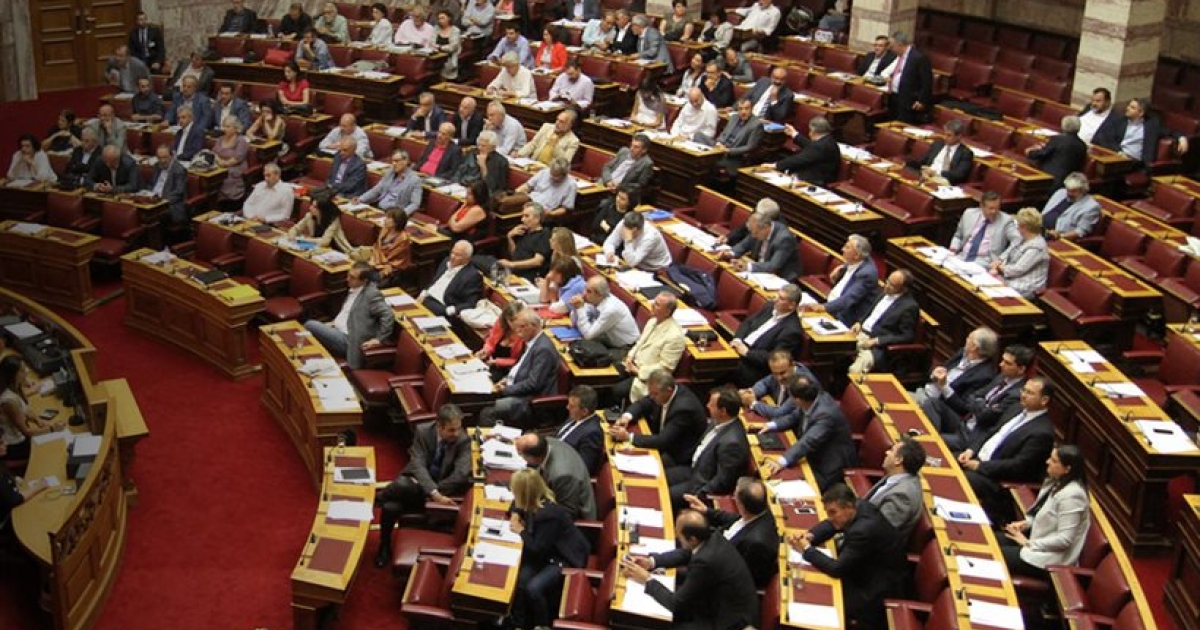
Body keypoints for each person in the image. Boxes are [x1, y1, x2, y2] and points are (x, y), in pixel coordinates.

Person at [788, 484, 906, 629]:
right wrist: (810, 536)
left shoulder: (863, 530)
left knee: (816, 598)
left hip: (873, 590)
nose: (830, 517)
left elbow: (836, 569)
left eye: (833, 512)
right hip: (864, 570)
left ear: (849, 507)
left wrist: (806, 549)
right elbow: (832, 524)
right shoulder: (857, 506)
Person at [621, 509, 759, 630]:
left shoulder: (705, 562)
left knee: (660, 624)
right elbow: (686, 553)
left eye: (679, 535)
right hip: (716, 603)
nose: (677, 536)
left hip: (727, 622)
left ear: (692, 539)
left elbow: (676, 604)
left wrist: (646, 579)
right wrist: (652, 562)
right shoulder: (710, 535)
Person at [373, 404, 470, 567]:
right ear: (439, 426)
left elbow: (460, 475)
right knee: (391, 507)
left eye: (458, 428)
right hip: (420, 482)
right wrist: (431, 491)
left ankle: (377, 499)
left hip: (440, 491)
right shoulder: (423, 431)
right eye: (452, 430)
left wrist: (434, 491)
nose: (456, 433)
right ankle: (384, 546)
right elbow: (417, 465)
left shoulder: (463, 440)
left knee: (404, 486)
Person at [956, 376, 1057, 524]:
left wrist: (980, 466)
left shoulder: (1043, 432)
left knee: (959, 479)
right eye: (1024, 390)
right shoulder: (1016, 408)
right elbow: (991, 431)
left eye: (1030, 393)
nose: (1023, 395)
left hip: (995, 478)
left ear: (1044, 400)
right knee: (944, 459)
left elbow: (1019, 466)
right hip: (976, 460)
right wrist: (971, 450)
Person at [651, 477, 778, 588]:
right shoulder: (759, 512)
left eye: (735, 497)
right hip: (712, 550)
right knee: (669, 543)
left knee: (663, 573)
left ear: (741, 505)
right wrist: (706, 510)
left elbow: (735, 575)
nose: (733, 498)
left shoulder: (756, 543)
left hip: (713, 575)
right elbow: (734, 519)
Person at [507, 468, 591, 630]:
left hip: (564, 557)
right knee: (520, 580)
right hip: (547, 550)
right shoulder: (537, 498)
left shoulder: (548, 515)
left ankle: (542, 625)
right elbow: (516, 504)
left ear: (524, 493)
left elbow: (537, 548)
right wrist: (515, 514)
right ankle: (518, 623)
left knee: (533, 588)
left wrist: (521, 530)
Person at [1001, 445, 1091, 578]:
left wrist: (1029, 543)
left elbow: (1064, 540)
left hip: (1050, 559)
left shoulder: (1072, 496)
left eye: (1054, 461)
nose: (1047, 461)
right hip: (1037, 542)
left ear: (1067, 469)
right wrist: (1025, 523)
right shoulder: (1055, 481)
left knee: (995, 555)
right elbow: (1044, 512)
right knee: (993, 539)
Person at [926, 344, 1031, 450]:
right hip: (964, 422)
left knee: (933, 440)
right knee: (932, 403)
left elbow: (986, 417)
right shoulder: (1001, 377)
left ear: (1021, 369)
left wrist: (979, 403)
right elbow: (972, 397)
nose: (1001, 364)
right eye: (1002, 360)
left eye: (1007, 363)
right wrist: (983, 405)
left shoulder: (1017, 395)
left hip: (972, 435)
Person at [762, 377, 857, 490]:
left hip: (829, 466)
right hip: (813, 455)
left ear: (797, 400)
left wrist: (781, 461)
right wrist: (771, 425)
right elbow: (794, 417)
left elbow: (808, 442)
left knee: (790, 487)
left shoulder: (825, 414)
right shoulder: (810, 401)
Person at [665, 387, 750, 510]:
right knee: (659, 477)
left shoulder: (732, 444)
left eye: (712, 404)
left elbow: (723, 481)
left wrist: (699, 494)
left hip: (702, 484)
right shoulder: (718, 421)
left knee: (665, 496)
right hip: (695, 469)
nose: (707, 405)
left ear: (723, 411)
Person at [304, 262, 395, 369]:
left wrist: (379, 339)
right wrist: (333, 323)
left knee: (309, 325)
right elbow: (348, 312)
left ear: (364, 281)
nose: (347, 279)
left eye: (352, 277)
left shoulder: (371, 294)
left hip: (348, 340)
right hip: (336, 329)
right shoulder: (355, 288)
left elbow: (388, 315)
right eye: (348, 275)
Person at [610, 369, 707, 466]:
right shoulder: (661, 392)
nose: (651, 397)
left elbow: (662, 441)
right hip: (661, 439)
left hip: (677, 454)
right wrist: (627, 417)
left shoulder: (683, 409)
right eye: (650, 392)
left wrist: (628, 437)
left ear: (669, 390)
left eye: (655, 394)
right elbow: (642, 404)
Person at [481, 309, 559, 427]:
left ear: (534, 326)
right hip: (516, 388)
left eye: (522, 327)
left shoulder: (543, 350)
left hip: (529, 401)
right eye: (517, 326)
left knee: (487, 412)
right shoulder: (530, 342)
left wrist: (506, 389)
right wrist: (506, 379)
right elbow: (519, 366)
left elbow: (533, 384)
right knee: (482, 398)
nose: (517, 331)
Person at [615, 292, 687, 403]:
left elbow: (665, 369)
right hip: (631, 365)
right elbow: (640, 342)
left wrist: (638, 371)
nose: (652, 305)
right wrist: (630, 357)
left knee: (617, 390)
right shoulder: (652, 321)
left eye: (657, 304)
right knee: (608, 376)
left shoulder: (675, 336)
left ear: (667, 312)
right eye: (654, 302)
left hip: (646, 379)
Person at [847, 269, 920, 375]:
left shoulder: (909, 307)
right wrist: (859, 322)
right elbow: (870, 312)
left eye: (892, 285)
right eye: (887, 281)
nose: (887, 286)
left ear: (904, 289)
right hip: (860, 334)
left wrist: (877, 341)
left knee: (855, 370)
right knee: (831, 347)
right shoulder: (884, 292)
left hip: (878, 347)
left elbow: (906, 336)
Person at [728, 284, 804, 386]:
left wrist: (747, 353)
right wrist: (737, 339)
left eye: (781, 298)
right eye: (777, 295)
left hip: (753, 367)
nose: (776, 299)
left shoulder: (792, 331)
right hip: (739, 348)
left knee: (716, 368)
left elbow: (776, 359)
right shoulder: (769, 306)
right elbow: (748, 322)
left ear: (792, 305)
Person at [514, 433, 596, 519]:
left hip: (576, 518)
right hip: (553, 500)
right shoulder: (546, 444)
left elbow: (567, 513)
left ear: (533, 458)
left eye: (520, 454)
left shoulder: (562, 475)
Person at [802, 234, 879, 326]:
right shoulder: (858, 260)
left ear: (857, 255)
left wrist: (823, 307)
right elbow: (854, 261)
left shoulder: (867, 275)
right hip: (832, 305)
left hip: (843, 316)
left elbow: (848, 299)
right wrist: (843, 266)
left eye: (847, 247)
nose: (842, 249)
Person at [913, 326, 999, 407]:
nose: (966, 339)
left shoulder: (984, 376)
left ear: (974, 347)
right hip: (923, 391)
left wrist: (944, 386)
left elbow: (963, 407)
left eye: (969, 338)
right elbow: (941, 369)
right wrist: (934, 373)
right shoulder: (962, 353)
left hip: (934, 405)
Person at [1092, 97, 1189, 168]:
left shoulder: (1151, 126)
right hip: (1117, 156)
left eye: (1132, 107)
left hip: (1134, 162)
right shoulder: (1120, 121)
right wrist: (1118, 152)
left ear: (1141, 113)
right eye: (1129, 106)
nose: (1127, 108)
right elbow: (1104, 137)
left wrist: (1182, 138)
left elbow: (1171, 132)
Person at [1, 356, 65, 463]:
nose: (27, 371)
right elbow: (27, 432)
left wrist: (38, 420)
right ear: (14, 375)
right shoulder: (9, 401)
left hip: (22, 437)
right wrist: (52, 429)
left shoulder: (16, 388)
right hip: (15, 445)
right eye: (22, 370)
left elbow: (25, 410)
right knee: (52, 451)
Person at [862, 437, 926, 540]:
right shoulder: (897, 477)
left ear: (898, 460)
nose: (887, 452)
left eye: (891, 450)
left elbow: (876, 533)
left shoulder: (902, 497)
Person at [741, 349, 819, 422]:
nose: (779, 378)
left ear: (793, 365)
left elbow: (779, 413)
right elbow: (764, 383)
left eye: (782, 373)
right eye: (775, 373)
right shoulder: (779, 370)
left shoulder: (802, 384)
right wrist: (751, 393)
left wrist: (753, 403)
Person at [569, 276, 640, 353]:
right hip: (608, 339)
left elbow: (588, 335)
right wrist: (576, 307)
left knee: (584, 354)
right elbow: (575, 322)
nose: (584, 293)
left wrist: (579, 308)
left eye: (588, 291)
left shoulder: (610, 309)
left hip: (626, 348)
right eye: (585, 289)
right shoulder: (597, 300)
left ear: (599, 294)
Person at [724, 208, 801, 279]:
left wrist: (748, 266)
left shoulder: (784, 239)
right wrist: (730, 254)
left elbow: (773, 266)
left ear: (766, 227)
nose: (753, 236)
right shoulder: (757, 228)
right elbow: (743, 245)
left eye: (756, 233)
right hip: (760, 269)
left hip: (781, 275)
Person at [990, 207, 1049, 298]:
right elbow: (1007, 253)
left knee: (990, 288)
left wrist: (999, 267)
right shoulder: (1022, 238)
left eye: (1018, 224)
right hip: (1011, 277)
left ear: (1023, 226)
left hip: (1026, 285)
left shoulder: (1037, 247)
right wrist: (998, 261)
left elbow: (1018, 269)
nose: (1016, 226)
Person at [949, 191, 1019, 264]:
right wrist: (953, 249)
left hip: (985, 262)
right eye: (991, 208)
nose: (994, 211)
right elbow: (958, 236)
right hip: (962, 256)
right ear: (981, 206)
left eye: (997, 208)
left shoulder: (1006, 221)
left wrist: (1001, 259)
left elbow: (1018, 240)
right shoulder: (969, 213)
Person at [418, 241, 482, 317]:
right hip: (426, 298)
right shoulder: (446, 261)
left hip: (442, 307)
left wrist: (450, 310)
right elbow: (434, 281)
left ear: (467, 258)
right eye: (452, 252)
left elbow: (470, 303)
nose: (452, 257)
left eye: (458, 255)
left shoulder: (472, 276)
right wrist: (424, 292)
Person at [771, 117, 840, 185]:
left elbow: (798, 159)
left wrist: (776, 165)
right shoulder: (828, 140)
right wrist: (793, 133)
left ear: (813, 131)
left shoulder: (820, 146)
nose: (809, 134)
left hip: (815, 180)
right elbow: (810, 145)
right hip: (817, 173)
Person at [1027, 115, 1088, 189]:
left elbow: (1042, 154)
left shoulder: (1057, 139)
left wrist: (1030, 152)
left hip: (1048, 178)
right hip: (1068, 181)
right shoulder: (1082, 145)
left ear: (1063, 126)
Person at [555, 385, 605, 475]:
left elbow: (583, 469)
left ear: (584, 411)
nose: (567, 407)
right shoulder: (575, 416)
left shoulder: (592, 433)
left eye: (571, 406)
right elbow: (558, 436)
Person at [887, 31, 934, 124]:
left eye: (892, 46)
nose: (890, 49)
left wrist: (921, 100)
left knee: (903, 124)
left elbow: (927, 82)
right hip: (894, 96)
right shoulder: (898, 56)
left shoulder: (918, 58)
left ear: (900, 44)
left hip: (909, 100)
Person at [356, 150, 422, 215]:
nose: (394, 164)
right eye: (392, 161)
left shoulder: (415, 180)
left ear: (406, 161)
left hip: (393, 213)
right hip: (378, 206)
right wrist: (360, 199)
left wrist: (402, 215)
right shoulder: (390, 172)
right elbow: (377, 189)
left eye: (396, 161)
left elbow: (415, 204)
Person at [498, 203, 552, 280]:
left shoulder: (544, 234)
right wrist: (510, 237)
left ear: (537, 218)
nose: (522, 219)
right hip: (515, 272)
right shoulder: (523, 231)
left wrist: (512, 264)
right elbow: (514, 255)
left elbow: (537, 261)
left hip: (529, 276)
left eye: (526, 216)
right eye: (522, 216)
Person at [1041, 172, 1101, 241]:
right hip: (1039, 230)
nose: (1069, 193)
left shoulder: (1091, 207)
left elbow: (1080, 232)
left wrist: (1058, 236)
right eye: (1068, 189)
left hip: (1055, 238)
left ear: (1083, 190)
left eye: (1073, 191)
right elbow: (1044, 213)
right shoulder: (1060, 192)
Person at [911, 119, 972, 184]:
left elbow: (958, 175)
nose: (945, 137)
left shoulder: (965, 153)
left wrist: (936, 172)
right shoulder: (938, 144)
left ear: (959, 136)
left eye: (949, 135)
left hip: (943, 179)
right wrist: (922, 168)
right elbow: (923, 160)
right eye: (944, 134)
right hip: (926, 173)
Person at [1, 440, 50, 522]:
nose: (5, 444)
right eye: (1, 443)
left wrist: (15, 480)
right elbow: (16, 500)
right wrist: (38, 487)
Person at [478, 301, 527, 377]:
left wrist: (497, 362)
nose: (513, 323)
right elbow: (490, 342)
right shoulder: (500, 324)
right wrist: (485, 351)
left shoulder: (526, 334)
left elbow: (520, 361)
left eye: (517, 320)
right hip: (491, 362)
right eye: (511, 320)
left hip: (510, 370)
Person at [453, 130, 508, 195]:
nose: (479, 148)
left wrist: (483, 166)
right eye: (479, 144)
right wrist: (454, 184)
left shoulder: (500, 162)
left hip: (480, 193)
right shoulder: (473, 152)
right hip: (461, 187)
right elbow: (460, 170)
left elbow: (491, 187)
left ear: (493, 147)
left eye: (483, 146)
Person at [148, 144, 189, 229]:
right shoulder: (157, 166)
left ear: (172, 156)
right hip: (152, 202)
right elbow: (151, 184)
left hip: (171, 205)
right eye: (159, 158)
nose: (162, 161)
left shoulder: (179, 170)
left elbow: (178, 192)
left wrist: (161, 201)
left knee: (154, 217)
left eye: (165, 157)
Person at [213, 116, 250, 210]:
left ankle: (229, 205)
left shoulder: (241, 140)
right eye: (224, 126)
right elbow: (214, 152)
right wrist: (219, 160)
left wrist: (225, 163)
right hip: (219, 166)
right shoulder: (220, 139)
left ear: (236, 128)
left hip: (235, 168)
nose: (225, 129)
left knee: (226, 179)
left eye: (228, 126)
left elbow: (238, 158)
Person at [367, 209, 412, 284]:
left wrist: (376, 263)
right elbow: (377, 247)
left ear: (396, 222)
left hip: (392, 268)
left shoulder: (403, 239)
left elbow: (393, 258)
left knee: (371, 280)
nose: (385, 219)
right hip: (377, 261)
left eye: (388, 218)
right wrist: (373, 260)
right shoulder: (385, 229)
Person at [431, 10, 462, 80]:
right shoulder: (436, 28)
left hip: (449, 58)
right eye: (439, 19)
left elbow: (452, 47)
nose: (440, 21)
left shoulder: (455, 30)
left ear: (449, 18)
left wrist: (440, 47)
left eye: (442, 18)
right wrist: (437, 48)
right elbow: (431, 42)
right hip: (435, 56)